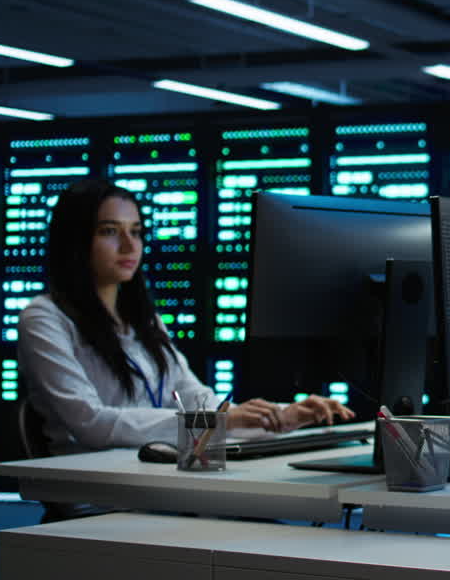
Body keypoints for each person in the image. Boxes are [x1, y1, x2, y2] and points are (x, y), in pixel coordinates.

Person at [18, 178, 355, 456]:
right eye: (109, 231)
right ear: (76, 241)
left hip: (158, 473)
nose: (128, 245)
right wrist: (220, 420)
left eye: (135, 231)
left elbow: (194, 397)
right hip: (95, 489)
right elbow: (91, 422)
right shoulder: (45, 319)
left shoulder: (142, 320)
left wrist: (281, 414)